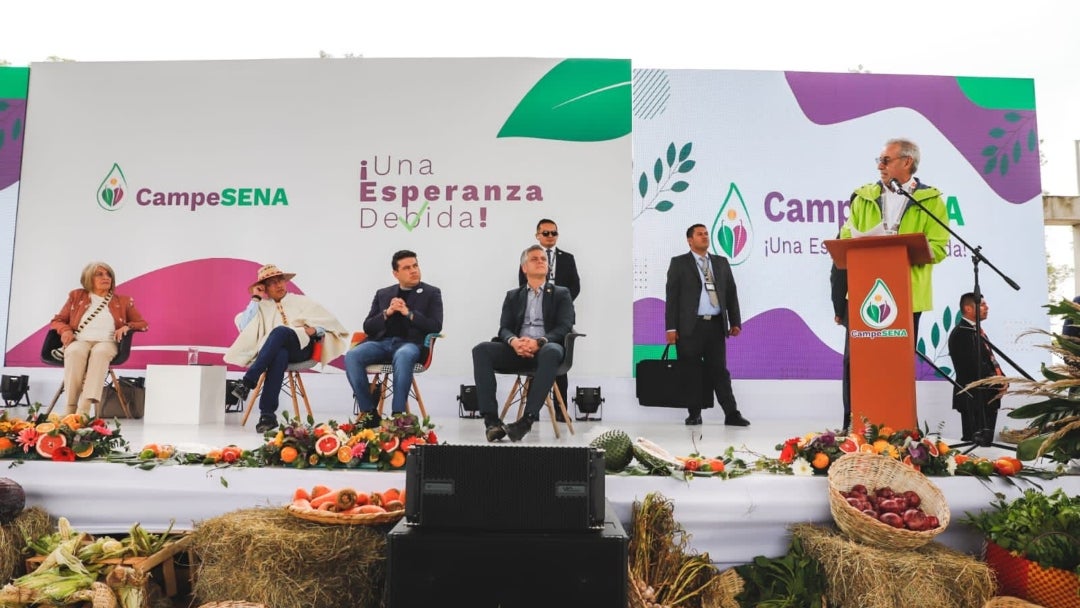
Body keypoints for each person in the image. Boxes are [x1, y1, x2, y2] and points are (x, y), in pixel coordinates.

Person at [839, 138, 949, 337]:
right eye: (879, 160)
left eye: (886, 160)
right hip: (865, 292)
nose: (880, 166)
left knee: (899, 363)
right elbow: (846, 236)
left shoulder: (931, 201)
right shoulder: (863, 197)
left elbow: (939, 248)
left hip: (907, 294)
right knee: (858, 363)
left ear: (907, 162)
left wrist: (903, 251)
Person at [224, 264, 349, 433]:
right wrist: (255, 298)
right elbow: (245, 327)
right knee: (279, 355)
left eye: (281, 280)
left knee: (280, 332)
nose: (279, 285)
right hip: (274, 353)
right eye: (273, 283)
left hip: (302, 349)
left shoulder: (300, 301)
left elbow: (327, 324)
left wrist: (313, 330)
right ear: (265, 288)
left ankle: (247, 382)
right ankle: (267, 416)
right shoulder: (261, 306)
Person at [475, 245, 575, 442]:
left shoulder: (561, 293)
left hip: (546, 348)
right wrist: (514, 342)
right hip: (517, 350)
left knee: (551, 351)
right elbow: (503, 328)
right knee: (481, 350)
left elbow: (565, 326)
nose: (541, 261)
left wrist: (540, 342)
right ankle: (492, 422)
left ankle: (526, 421)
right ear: (524, 268)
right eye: (535, 259)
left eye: (543, 259)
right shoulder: (513, 296)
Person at [345, 250, 443, 427]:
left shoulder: (431, 293)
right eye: (407, 268)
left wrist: (409, 313)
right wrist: (387, 313)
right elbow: (368, 326)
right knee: (352, 356)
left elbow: (435, 326)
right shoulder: (383, 294)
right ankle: (369, 412)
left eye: (415, 265)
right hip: (381, 343)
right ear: (396, 273)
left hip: (410, 345)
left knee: (403, 355)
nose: (413, 271)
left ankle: (398, 415)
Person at [665, 224, 749, 426]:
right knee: (691, 372)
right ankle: (694, 414)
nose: (704, 237)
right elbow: (672, 298)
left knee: (720, 371)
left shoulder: (721, 263)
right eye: (699, 234)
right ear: (689, 240)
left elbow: (731, 293)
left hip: (715, 326)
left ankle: (731, 413)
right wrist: (671, 328)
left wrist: (735, 320)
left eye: (706, 234)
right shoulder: (679, 263)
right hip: (689, 327)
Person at [50, 262, 148, 416]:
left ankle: (83, 410)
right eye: (100, 274)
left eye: (108, 274)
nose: (106, 277)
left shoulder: (123, 301)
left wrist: (127, 326)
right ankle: (70, 409)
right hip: (80, 341)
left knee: (100, 353)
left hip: (107, 343)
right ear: (89, 278)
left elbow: (143, 324)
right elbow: (58, 320)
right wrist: (66, 330)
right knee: (75, 351)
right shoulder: (76, 296)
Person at [518, 218, 580, 421]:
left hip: (560, 319)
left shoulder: (567, 258)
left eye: (554, 233)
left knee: (558, 363)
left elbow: (575, 287)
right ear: (537, 235)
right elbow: (523, 286)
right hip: (534, 319)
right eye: (546, 233)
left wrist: (559, 304)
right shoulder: (528, 259)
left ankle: (561, 412)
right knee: (532, 362)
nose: (550, 236)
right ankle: (531, 411)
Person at [948, 292, 1009, 442]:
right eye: (982, 305)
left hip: (987, 396)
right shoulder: (962, 333)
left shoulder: (977, 331)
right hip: (974, 398)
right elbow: (972, 367)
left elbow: (989, 359)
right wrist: (996, 382)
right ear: (968, 309)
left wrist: (1004, 379)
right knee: (974, 445)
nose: (987, 308)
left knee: (987, 445)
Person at [830, 248, 851, 432]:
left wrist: (839, 309)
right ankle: (852, 422)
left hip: (861, 305)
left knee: (854, 365)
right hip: (861, 306)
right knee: (854, 366)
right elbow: (839, 270)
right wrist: (839, 308)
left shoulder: (855, 225)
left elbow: (837, 274)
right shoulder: (851, 228)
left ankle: (851, 423)